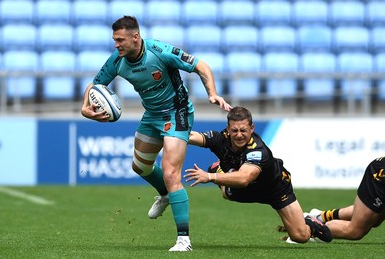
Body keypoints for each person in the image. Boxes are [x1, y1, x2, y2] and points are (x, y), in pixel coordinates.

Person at [80, 16, 232, 252]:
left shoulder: (160, 51)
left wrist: (212, 93)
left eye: (120, 40)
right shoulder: (117, 60)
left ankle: (184, 240)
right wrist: (84, 108)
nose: (116, 45)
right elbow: (95, 84)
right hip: (152, 115)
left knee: (172, 173)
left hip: (176, 113)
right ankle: (164, 194)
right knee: (140, 167)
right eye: (114, 40)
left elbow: (201, 66)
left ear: (135, 37)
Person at [183, 106, 333, 244]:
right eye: (234, 130)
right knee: (227, 193)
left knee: (300, 237)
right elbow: (189, 136)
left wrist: (210, 177)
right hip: (248, 189)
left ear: (252, 128)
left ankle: (309, 221)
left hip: (275, 188)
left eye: (243, 130)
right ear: (228, 129)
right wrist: (168, 133)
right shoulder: (220, 139)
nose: (239, 135)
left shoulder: (258, 150)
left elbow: (244, 178)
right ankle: (219, 169)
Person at [308, 156, 385, 240]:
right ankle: (310, 228)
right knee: (355, 231)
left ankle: (320, 217)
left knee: (375, 219)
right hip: (380, 173)